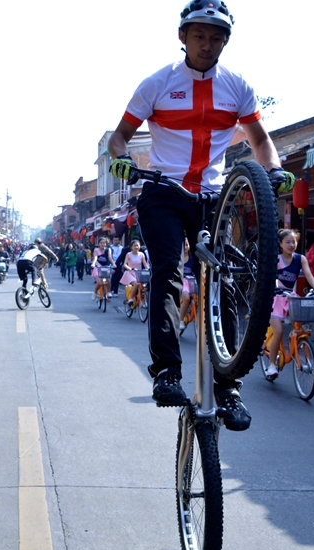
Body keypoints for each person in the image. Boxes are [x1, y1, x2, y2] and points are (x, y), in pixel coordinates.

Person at [107, 0, 295, 429]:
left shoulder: (238, 86)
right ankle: (166, 372)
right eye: (199, 35)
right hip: (163, 190)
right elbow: (119, 137)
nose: (207, 44)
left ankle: (229, 389)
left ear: (225, 42)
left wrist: (275, 169)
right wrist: (120, 159)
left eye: (216, 37)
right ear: (182, 37)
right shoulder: (157, 83)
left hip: (214, 194)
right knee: (169, 273)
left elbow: (261, 140)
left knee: (222, 280)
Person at [265, 230, 314, 380]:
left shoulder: (300, 259)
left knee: (299, 324)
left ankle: (296, 346)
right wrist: (276, 286)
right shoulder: (276, 259)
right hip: (276, 297)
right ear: (280, 244)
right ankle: (271, 364)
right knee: (278, 331)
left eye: (294, 242)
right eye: (288, 242)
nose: (291, 245)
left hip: (290, 297)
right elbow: (272, 277)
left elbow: (309, 274)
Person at [120, 239, 149, 303]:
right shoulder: (128, 254)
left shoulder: (142, 254)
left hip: (139, 273)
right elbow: (125, 264)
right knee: (136, 284)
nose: (136, 247)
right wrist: (129, 268)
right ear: (131, 247)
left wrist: (149, 269)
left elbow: (145, 264)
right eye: (134, 246)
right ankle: (130, 299)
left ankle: (139, 296)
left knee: (144, 286)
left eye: (137, 245)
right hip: (130, 273)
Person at [179, 240, 196, 332]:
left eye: (186, 245)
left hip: (191, 282)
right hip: (181, 282)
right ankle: (181, 320)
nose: (185, 247)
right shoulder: (178, 258)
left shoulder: (192, 259)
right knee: (186, 298)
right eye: (183, 245)